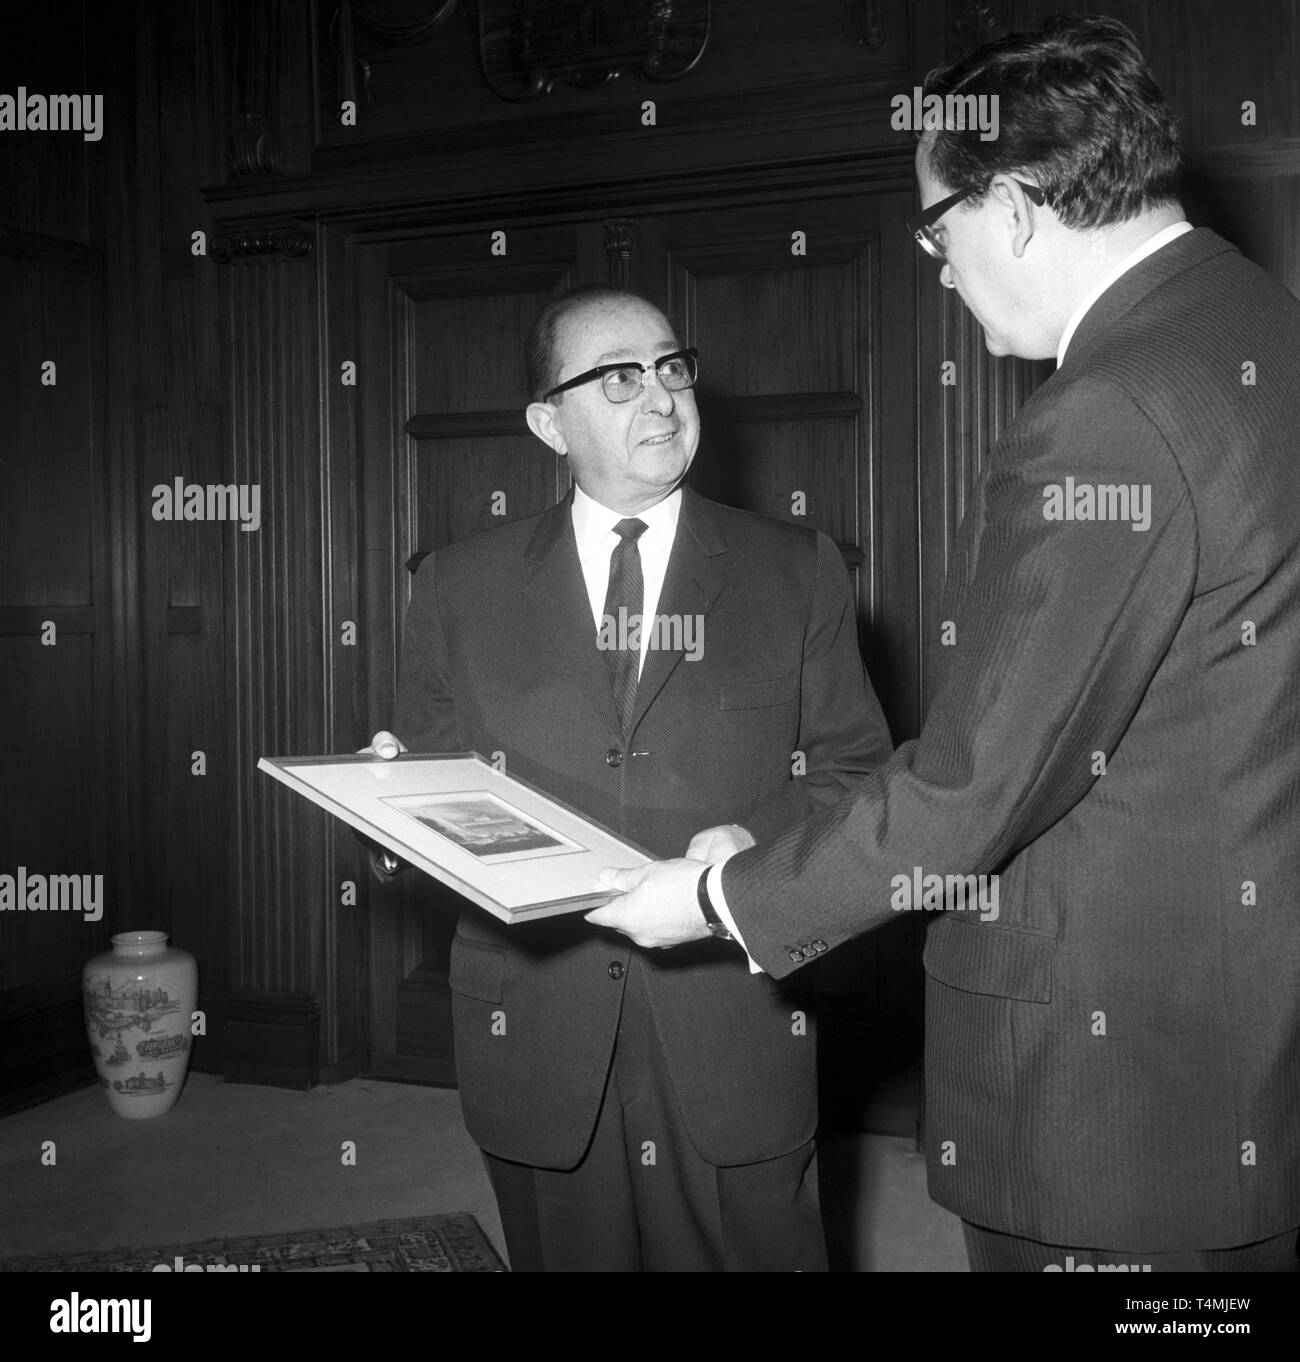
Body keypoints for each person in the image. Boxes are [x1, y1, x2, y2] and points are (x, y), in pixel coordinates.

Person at [593, 15, 1300, 1272]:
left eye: (937, 229)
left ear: (1015, 208)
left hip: (1112, 1089)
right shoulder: (1255, 328)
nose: (937, 267)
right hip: (1236, 1016)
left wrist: (718, 897)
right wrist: (783, 835)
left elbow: (983, 784)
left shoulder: (1107, 412)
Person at [369, 283, 892, 1271]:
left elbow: (857, 771)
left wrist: (751, 845)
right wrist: (387, 800)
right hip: (535, 1016)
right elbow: (432, 784)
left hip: (729, 1011)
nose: (659, 398)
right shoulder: (455, 583)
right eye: (617, 378)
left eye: (670, 367)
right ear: (545, 423)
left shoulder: (796, 568)